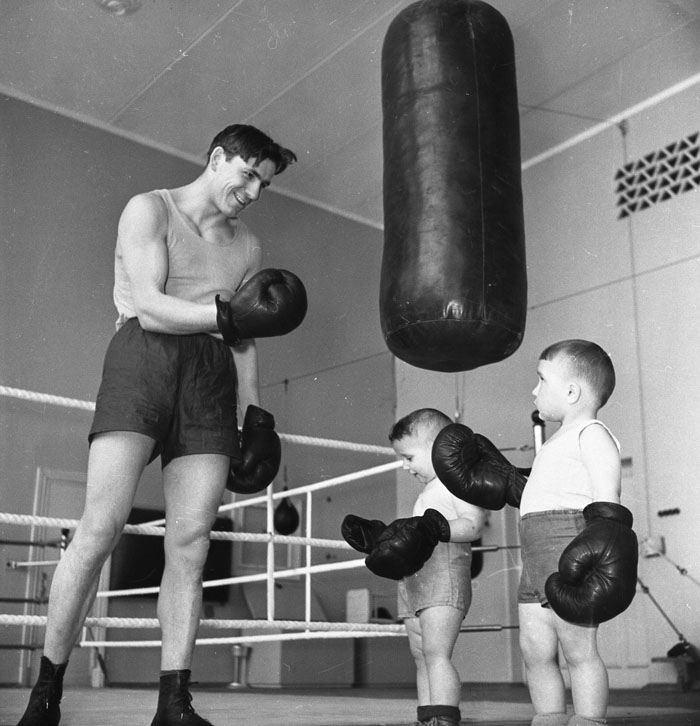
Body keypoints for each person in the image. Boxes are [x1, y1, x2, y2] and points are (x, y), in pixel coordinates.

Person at [16, 124, 307, 726]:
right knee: (99, 527)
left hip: (211, 377)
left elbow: (244, 336)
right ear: (217, 157)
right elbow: (149, 304)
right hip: (142, 358)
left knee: (192, 542)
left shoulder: (246, 246)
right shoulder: (150, 209)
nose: (253, 191)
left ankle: (174, 701)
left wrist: (256, 414)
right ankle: (47, 691)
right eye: (247, 174)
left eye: (264, 184)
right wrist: (225, 314)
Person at [431, 339, 638, 726]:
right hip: (534, 556)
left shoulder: (592, 434)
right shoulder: (554, 442)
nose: (534, 389)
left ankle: (589, 720)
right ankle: (549, 716)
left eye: (541, 380)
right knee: (534, 648)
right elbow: (539, 493)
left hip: (570, 552)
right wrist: (509, 480)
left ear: (572, 391)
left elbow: (608, 496)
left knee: (579, 651)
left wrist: (606, 535)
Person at [342, 408, 486, 726]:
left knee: (436, 654)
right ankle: (428, 716)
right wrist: (381, 537)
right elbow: (414, 538)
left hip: (444, 578)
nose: (405, 467)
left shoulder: (459, 484)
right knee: (421, 656)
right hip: (415, 580)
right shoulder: (427, 492)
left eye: (408, 457)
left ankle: (445, 718)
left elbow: (474, 525)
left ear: (438, 448)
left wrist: (436, 528)